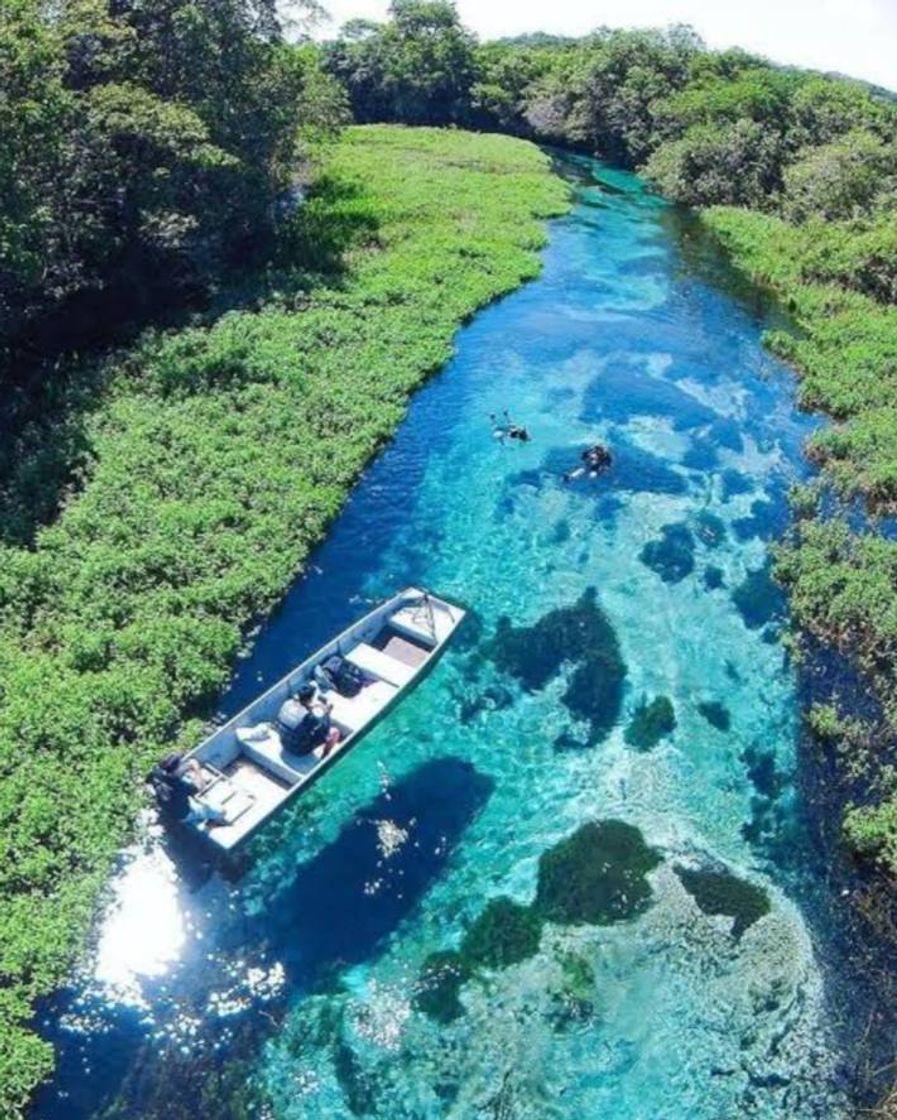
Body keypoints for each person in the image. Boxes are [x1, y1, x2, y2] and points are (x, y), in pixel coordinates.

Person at [152, 752, 225, 827]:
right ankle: (210, 823)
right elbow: (201, 787)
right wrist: (197, 768)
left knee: (188, 779)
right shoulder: (181, 786)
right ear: (176, 769)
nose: (184, 764)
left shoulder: (156, 772)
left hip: (166, 806)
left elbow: (172, 775)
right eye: (181, 764)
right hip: (183, 815)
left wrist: (188, 767)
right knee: (221, 810)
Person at [293, 682, 342, 758]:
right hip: (298, 750)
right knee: (335, 732)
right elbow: (326, 728)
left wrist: (311, 707)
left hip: (284, 742)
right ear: (311, 698)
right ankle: (324, 756)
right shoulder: (311, 717)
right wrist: (327, 713)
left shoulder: (287, 704)